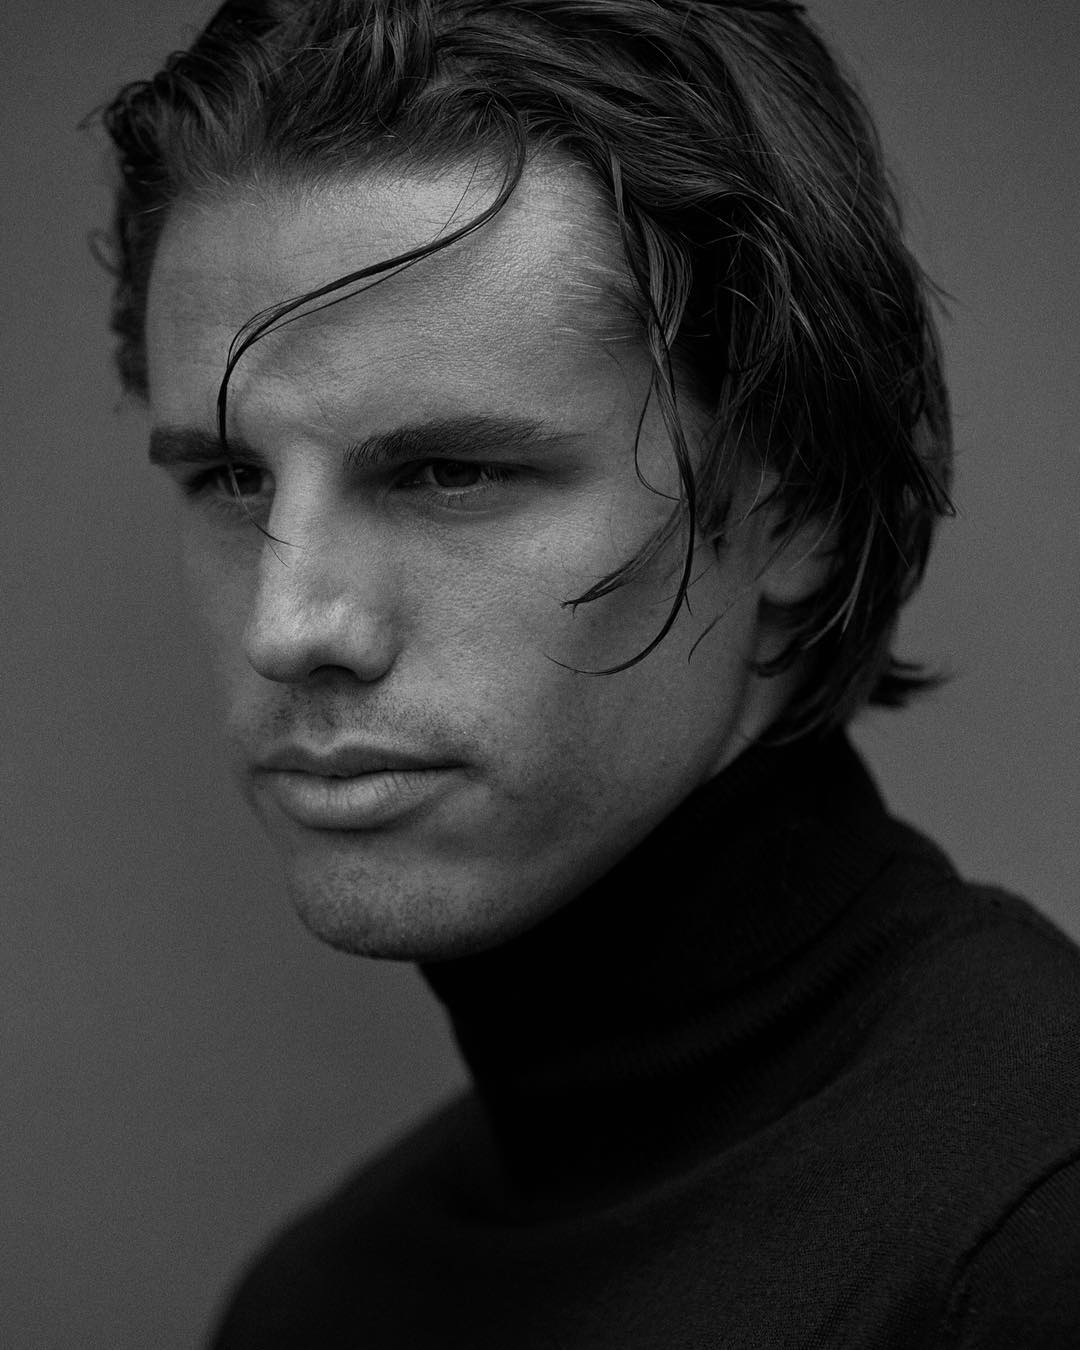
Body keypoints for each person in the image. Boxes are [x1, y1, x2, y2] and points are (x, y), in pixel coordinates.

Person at [95, 1, 1080, 1345]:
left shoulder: (1029, 1229)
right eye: (229, 478)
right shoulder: (317, 1300)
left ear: (792, 506)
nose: (292, 623)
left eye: (448, 471)